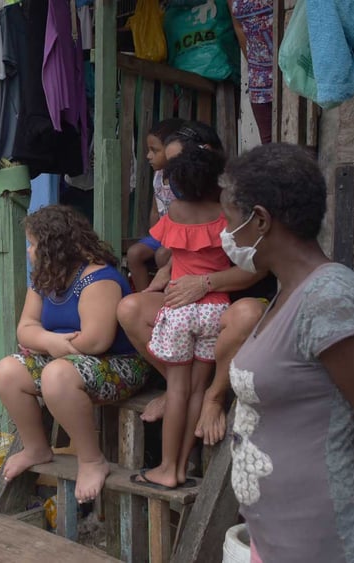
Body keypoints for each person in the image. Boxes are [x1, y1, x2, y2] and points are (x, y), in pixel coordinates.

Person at [220, 143, 354, 562]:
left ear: (260, 220)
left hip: (331, 548)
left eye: (229, 221)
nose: (224, 234)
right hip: (279, 542)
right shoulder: (285, 293)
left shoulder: (328, 297)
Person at [118, 122, 271, 447]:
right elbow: (186, 245)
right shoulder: (186, 205)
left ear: (208, 157)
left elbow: (258, 266)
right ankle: (181, 391)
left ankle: (212, 397)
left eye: (180, 165)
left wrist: (203, 282)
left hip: (241, 303)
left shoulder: (241, 197)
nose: (176, 177)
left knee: (245, 314)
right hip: (201, 307)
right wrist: (169, 271)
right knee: (130, 308)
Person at [0, 204, 152, 503]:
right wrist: (49, 342)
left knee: (56, 375)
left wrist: (44, 343)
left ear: (55, 246)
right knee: (7, 371)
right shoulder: (44, 278)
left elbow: (96, 341)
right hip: (66, 359)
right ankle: (36, 447)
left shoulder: (98, 278)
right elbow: (25, 328)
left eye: (32, 244)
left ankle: (92, 460)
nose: (28, 251)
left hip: (121, 365)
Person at [130, 128, 233, 490]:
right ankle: (182, 466)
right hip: (216, 311)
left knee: (176, 390)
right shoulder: (226, 216)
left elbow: (160, 246)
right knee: (196, 392)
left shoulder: (175, 211)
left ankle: (167, 468)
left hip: (178, 309)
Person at [126, 117, 185, 290]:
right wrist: (156, 236)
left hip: (180, 237)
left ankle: (165, 294)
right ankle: (146, 294)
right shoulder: (158, 176)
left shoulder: (182, 179)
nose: (148, 156)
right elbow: (155, 210)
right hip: (163, 234)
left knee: (161, 255)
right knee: (134, 253)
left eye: (154, 150)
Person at [229, 0, 274, 145]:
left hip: (292, 64)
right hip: (259, 75)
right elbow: (238, 27)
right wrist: (254, 64)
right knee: (269, 143)